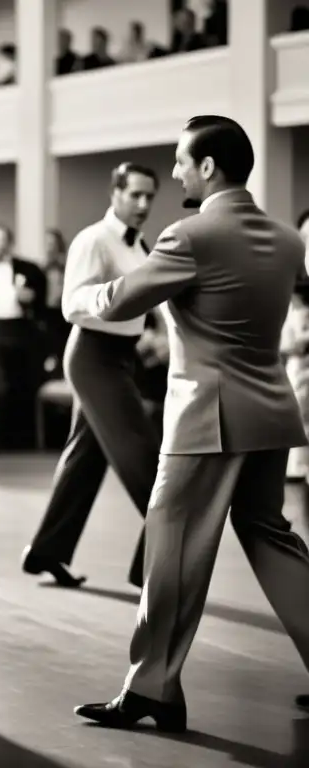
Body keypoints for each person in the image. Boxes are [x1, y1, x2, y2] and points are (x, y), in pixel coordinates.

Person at [71, 116, 309, 730]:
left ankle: (151, 688)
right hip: (273, 413)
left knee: (171, 548)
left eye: (181, 161)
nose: (174, 171)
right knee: (273, 538)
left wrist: (78, 299)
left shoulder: (191, 235)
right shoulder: (287, 240)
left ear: (208, 167)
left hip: (207, 416)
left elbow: (121, 299)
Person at [22, 162, 162, 590]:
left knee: (84, 458)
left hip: (122, 357)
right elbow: (72, 305)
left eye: (149, 197)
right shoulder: (93, 240)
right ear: (115, 192)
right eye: (135, 194)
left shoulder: (141, 246)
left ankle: (45, 553)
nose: (142, 204)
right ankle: (155, 566)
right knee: (147, 464)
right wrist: (122, 299)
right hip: (92, 357)